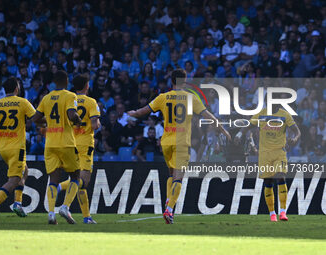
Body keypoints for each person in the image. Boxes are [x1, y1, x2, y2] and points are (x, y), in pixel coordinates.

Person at [128, 69, 231, 224]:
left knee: (171, 174)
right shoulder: (191, 98)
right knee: (179, 178)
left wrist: (133, 113)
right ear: (185, 80)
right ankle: (169, 209)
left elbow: (142, 112)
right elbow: (207, 116)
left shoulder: (163, 97)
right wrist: (222, 129)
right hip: (181, 142)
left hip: (166, 141)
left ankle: (169, 201)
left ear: (172, 81)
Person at [235, 103, 301, 222]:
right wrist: (240, 134)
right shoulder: (261, 113)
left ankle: (283, 212)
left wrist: (295, 139)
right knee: (268, 181)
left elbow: (297, 131)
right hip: (264, 154)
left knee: (281, 177)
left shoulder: (285, 115)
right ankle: (272, 213)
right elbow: (249, 125)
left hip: (279, 152)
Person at [32, 70, 82, 224]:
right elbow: (72, 114)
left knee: (53, 179)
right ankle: (65, 207)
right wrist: (78, 121)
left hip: (50, 144)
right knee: (76, 177)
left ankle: (51, 213)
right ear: (66, 81)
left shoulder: (46, 98)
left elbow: (35, 119)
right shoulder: (70, 96)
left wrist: (46, 124)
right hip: (66, 143)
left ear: (54, 82)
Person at [0, 77, 36, 221]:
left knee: (24, 171)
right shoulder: (22, 102)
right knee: (14, 179)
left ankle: (18, 203)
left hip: (3, 148)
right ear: (16, 88)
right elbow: (35, 118)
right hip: (17, 148)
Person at [57, 74, 100, 224]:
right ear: (87, 86)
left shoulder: (69, 100)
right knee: (83, 181)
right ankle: (59, 190)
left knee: (78, 182)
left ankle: (86, 217)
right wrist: (97, 124)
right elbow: (95, 124)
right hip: (85, 144)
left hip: (70, 143)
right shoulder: (91, 102)